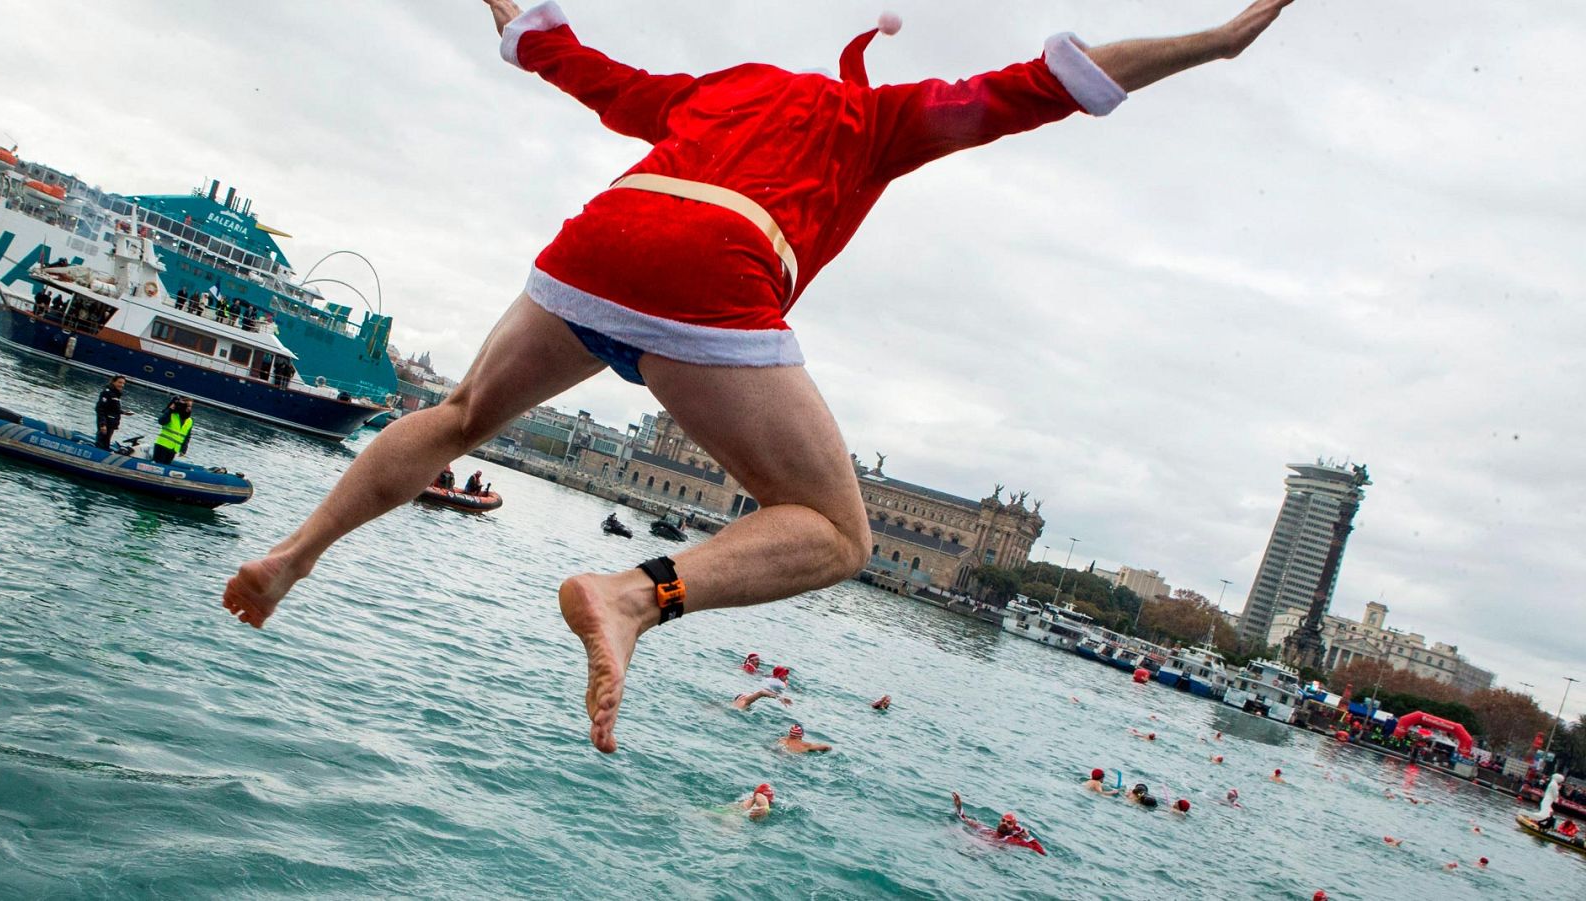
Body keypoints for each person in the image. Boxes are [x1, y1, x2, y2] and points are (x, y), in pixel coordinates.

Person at [222, 0, 1305, 755]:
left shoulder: (714, 90)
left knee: (460, 414)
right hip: (719, 262)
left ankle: (291, 556)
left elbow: (559, 54)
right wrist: (1215, 40)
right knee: (836, 532)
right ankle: (632, 594)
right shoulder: (879, 117)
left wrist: (507, 10)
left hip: (604, 237)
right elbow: (1052, 82)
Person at [951, 791, 1045, 855]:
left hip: (986, 852)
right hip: (973, 846)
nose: (1004, 823)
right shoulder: (986, 830)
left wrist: (1028, 837)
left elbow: (1040, 851)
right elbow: (964, 819)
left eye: (1009, 823)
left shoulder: (1013, 840)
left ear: (1013, 827)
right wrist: (959, 807)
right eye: (1003, 820)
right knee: (953, 830)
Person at [94, 375, 133, 451]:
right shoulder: (107, 392)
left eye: (123, 383)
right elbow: (100, 408)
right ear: (113, 382)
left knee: (106, 444)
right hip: (106, 423)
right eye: (119, 382)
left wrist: (124, 412)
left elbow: (113, 409)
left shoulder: (116, 394)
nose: (122, 385)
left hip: (111, 424)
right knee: (101, 443)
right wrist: (103, 424)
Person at [152, 397, 193, 464]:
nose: (189, 408)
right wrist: (170, 410)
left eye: (191, 406)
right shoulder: (172, 414)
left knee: (166, 466)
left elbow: (187, 436)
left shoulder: (190, 421)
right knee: (157, 465)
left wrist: (183, 449)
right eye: (187, 406)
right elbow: (161, 421)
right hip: (162, 445)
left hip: (174, 449)